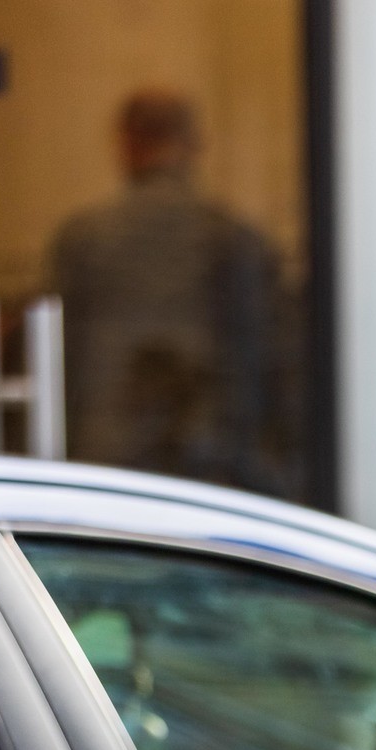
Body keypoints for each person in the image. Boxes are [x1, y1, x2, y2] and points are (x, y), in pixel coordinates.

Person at [49, 90, 288, 494]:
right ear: (196, 144)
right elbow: (271, 363)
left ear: (125, 142)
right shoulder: (235, 241)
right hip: (210, 462)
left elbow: (59, 360)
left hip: (102, 466)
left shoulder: (82, 240)